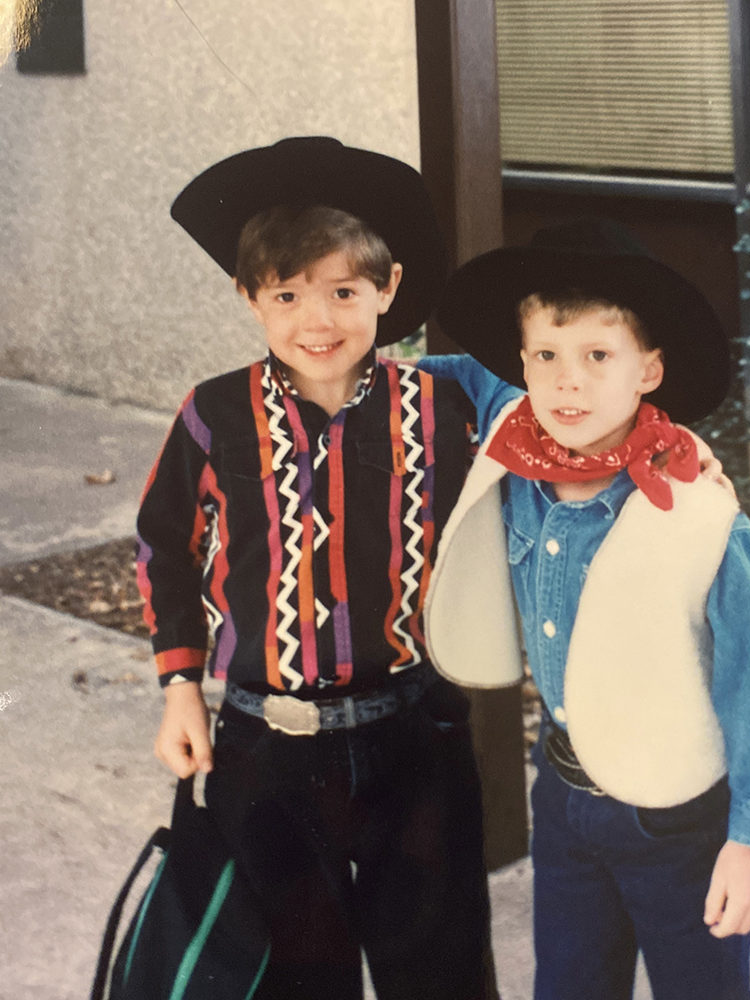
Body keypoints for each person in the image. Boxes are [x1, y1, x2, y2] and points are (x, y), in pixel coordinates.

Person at [135, 136, 496, 1000]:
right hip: (269, 748)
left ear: (389, 289)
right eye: (288, 295)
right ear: (249, 298)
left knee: (440, 967)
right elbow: (163, 548)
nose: (318, 320)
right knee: (297, 974)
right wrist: (181, 687)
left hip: (416, 736)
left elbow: (552, 451)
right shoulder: (214, 413)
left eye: (344, 291)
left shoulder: (443, 409)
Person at [420, 219, 750, 1000]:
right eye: (547, 357)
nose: (569, 384)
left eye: (599, 356)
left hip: (676, 817)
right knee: (568, 985)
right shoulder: (518, 452)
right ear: (520, 362)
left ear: (648, 370)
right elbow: (440, 372)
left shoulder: (699, 516)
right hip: (563, 798)